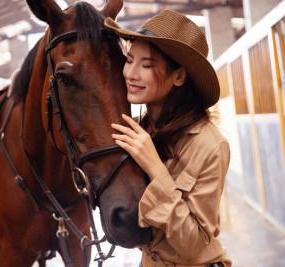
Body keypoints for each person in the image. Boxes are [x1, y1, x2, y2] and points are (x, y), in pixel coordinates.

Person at [104, 9, 232, 267]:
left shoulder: (210, 145)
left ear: (179, 76)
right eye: (129, 60)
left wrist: (155, 168)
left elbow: (193, 245)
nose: (130, 73)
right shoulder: (138, 130)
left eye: (147, 65)